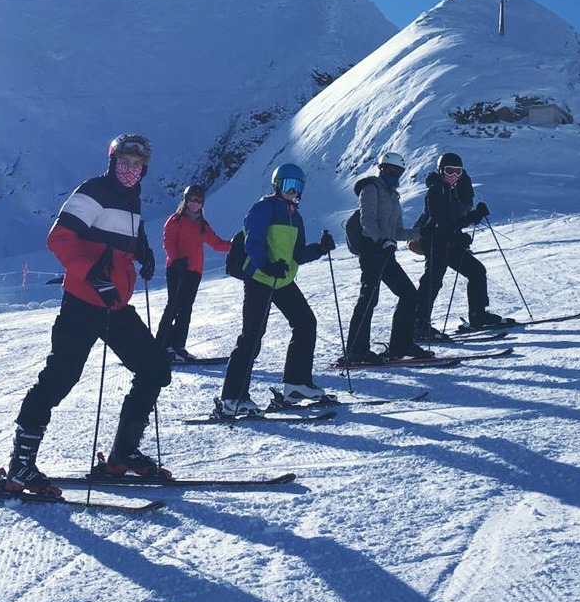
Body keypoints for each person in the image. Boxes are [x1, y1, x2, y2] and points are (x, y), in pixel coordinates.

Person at [0, 134, 172, 497]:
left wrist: (143, 249)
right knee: (60, 379)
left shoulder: (131, 198)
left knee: (154, 368)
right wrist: (94, 274)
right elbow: (60, 239)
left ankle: (122, 455)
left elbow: (116, 238)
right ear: (112, 161)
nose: (131, 169)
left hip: (115, 304)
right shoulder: (95, 191)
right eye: (125, 161)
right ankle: (20, 467)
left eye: (138, 165)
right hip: (82, 301)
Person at [218, 163, 335, 416]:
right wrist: (266, 265)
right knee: (252, 336)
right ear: (276, 186)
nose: (292, 191)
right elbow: (253, 241)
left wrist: (320, 248)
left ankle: (296, 384)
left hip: (282, 279)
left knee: (306, 323)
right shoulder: (263, 208)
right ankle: (232, 398)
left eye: (297, 186)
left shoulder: (295, 215)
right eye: (287, 185)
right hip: (260, 278)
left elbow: (297, 254)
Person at [342, 151, 434, 363]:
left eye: (397, 172)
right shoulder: (370, 188)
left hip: (386, 254)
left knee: (409, 295)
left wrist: (421, 232)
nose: (393, 174)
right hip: (371, 252)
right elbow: (368, 223)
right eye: (389, 170)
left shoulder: (393, 195)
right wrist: (382, 241)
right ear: (381, 169)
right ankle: (356, 351)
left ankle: (401, 344)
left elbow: (398, 232)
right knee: (368, 299)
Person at [413, 152, 514, 341]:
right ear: (441, 171)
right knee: (432, 282)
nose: (454, 176)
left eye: (458, 172)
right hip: (437, 245)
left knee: (476, 271)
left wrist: (471, 219)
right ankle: (418, 325)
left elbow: (453, 221)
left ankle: (478, 316)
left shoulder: (451, 190)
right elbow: (442, 222)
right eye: (449, 171)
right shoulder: (436, 191)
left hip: (450, 244)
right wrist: (470, 220)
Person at [155, 184, 231, 362]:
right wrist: (176, 259)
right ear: (186, 201)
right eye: (192, 200)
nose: (195, 204)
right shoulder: (176, 220)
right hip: (176, 269)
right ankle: (161, 345)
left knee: (186, 309)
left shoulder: (202, 225)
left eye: (198, 201)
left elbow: (217, 243)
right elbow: (168, 242)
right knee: (173, 306)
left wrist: (236, 247)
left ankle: (177, 346)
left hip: (194, 271)